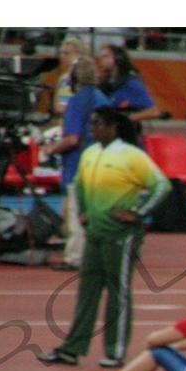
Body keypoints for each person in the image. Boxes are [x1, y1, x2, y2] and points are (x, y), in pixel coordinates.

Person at [36, 107, 170, 370]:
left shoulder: (132, 156)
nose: (92, 128)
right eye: (91, 122)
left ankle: (115, 351)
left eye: (97, 123)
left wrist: (139, 213)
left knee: (117, 292)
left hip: (121, 235)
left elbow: (162, 185)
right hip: (95, 233)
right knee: (87, 292)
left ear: (113, 127)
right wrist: (85, 211)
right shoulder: (89, 153)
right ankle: (72, 349)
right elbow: (82, 185)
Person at [43, 57, 107, 271]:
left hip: (79, 165)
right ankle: (97, 255)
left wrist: (50, 149)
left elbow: (72, 138)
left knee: (77, 212)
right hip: (101, 163)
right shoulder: (101, 98)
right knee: (97, 212)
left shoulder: (78, 101)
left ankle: (75, 257)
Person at [97, 45, 160, 130]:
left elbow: (154, 112)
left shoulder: (131, 83)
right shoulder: (107, 83)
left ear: (118, 59)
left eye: (106, 57)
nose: (102, 60)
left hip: (126, 136)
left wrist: (127, 119)